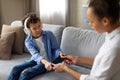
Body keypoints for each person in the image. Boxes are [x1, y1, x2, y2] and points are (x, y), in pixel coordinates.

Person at [53, 0, 120, 80]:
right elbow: (103, 63)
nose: (90, 24)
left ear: (105, 21)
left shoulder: (114, 47)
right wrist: (77, 59)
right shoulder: (110, 35)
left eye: (91, 21)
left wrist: (65, 68)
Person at [8, 13, 64, 80]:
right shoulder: (28, 41)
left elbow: (56, 48)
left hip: (50, 60)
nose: (38, 30)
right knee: (15, 69)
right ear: (28, 30)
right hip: (37, 60)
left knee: (25, 73)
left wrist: (59, 53)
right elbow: (36, 55)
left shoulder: (49, 34)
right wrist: (45, 62)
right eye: (34, 28)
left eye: (39, 26)